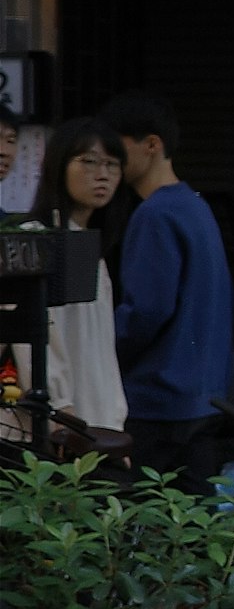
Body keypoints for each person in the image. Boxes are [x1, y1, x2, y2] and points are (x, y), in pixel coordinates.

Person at [104, 94, 231, 481]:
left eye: (116, 147)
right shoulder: (196, 205)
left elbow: (146, 311)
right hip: (204, 396)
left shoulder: (155, 213)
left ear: (151, 145)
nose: (109, 160)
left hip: (157, 401)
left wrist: (103, 357)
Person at [33, 119, 126, 437]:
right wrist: (60, 408)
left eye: (112, 165)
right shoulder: (39, 240)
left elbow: (101, 347)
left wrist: (114, 422)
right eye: (88, 161)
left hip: (97, 421)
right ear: (59, 166)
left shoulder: (94, 248)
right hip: (59, 423)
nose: (102, 175)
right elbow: (36, 338)